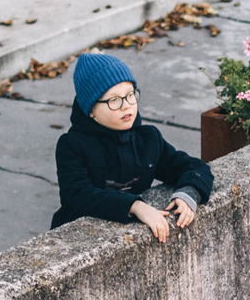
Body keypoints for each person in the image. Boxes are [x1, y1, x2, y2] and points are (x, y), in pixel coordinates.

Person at [53, 54, 214, 242]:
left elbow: (193, 167)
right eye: (114, 100)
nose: (126, 106)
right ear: (91, 110)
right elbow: (78, 195)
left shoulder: (148, 139)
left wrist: (189, 193)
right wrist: (135, 206)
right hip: (77, 239)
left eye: (130, 95)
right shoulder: (72, 146)